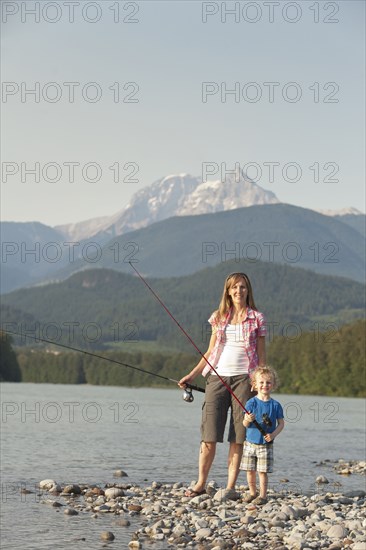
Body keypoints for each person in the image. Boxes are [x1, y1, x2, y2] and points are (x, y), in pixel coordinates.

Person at [178, 272, 266, 498]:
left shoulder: (257, 318)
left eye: (243, 287)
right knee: (209, 433)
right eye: (234, 287)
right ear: (228, 291)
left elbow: (262, 356)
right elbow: (209, 352)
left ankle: (230, 488)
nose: (239, 291)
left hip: (244, 381)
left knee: (238, 436)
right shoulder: (218, 317)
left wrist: (259, 380)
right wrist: (191, 374)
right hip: (216, 378)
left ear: (248, 290)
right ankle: (200, 484)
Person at [240, 365, 285, 505]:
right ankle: (253, 493)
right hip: (249, 443)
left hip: (265, 444)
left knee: (262, 472)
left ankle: (263, 495)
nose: (265, 385)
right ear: (255, 384)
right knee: (250, 470)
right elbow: (244, 424)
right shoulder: (251, 403)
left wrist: (273, 435)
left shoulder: (276, 405)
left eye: (268, 382)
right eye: (261, 382)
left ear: (273, 385)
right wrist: (248, 419)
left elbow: (281, 424)